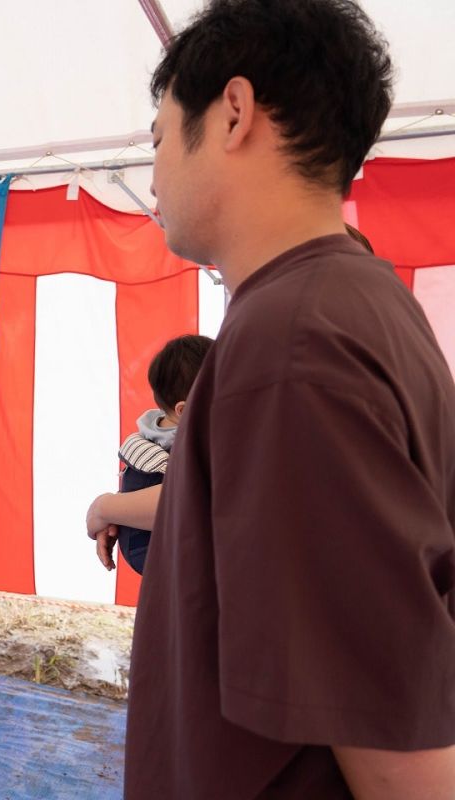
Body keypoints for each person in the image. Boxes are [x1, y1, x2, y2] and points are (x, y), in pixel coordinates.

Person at [123, 1, 455, 798]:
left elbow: (391, 756)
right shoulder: (358, 298)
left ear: (234, 113)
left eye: (161, 138)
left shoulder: (289, 345)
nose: (155, 173)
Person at [89, 334, 212, 575]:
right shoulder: (189, 440)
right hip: (155, 550)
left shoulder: (152, 432)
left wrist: (105, 508)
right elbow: (184, 499)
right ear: (185, 409)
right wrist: (107, 508)